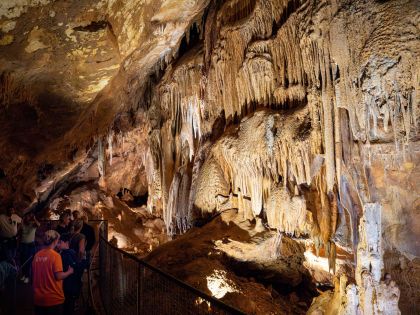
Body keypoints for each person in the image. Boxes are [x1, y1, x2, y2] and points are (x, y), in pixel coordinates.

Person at [32, 230, 73, 315]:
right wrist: (69, 272)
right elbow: (58, 276)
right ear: (55, 241)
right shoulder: (56, 256)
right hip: (53, 299)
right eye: (58, 240)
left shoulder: (37, 255)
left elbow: (33, 275)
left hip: (38, 299)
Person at [56, 233, 84, 315]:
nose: (57, 245)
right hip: (71, 287)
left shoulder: (66, 255)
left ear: (66, 243)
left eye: (60, 242)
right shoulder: (71, 253)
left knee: (68, 308)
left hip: (68, 287)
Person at [19, 212, 40, 283]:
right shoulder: (22, 224)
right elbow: (19, 232)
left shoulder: (33, 224)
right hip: (22, 244)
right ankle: (24, 275)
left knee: (28, 261)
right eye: (26, 217)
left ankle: (27, 276)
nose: (27, 218)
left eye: (29, 217)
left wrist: (34, 218)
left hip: (30, 245)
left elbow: (38, 225)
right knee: (22, 261)